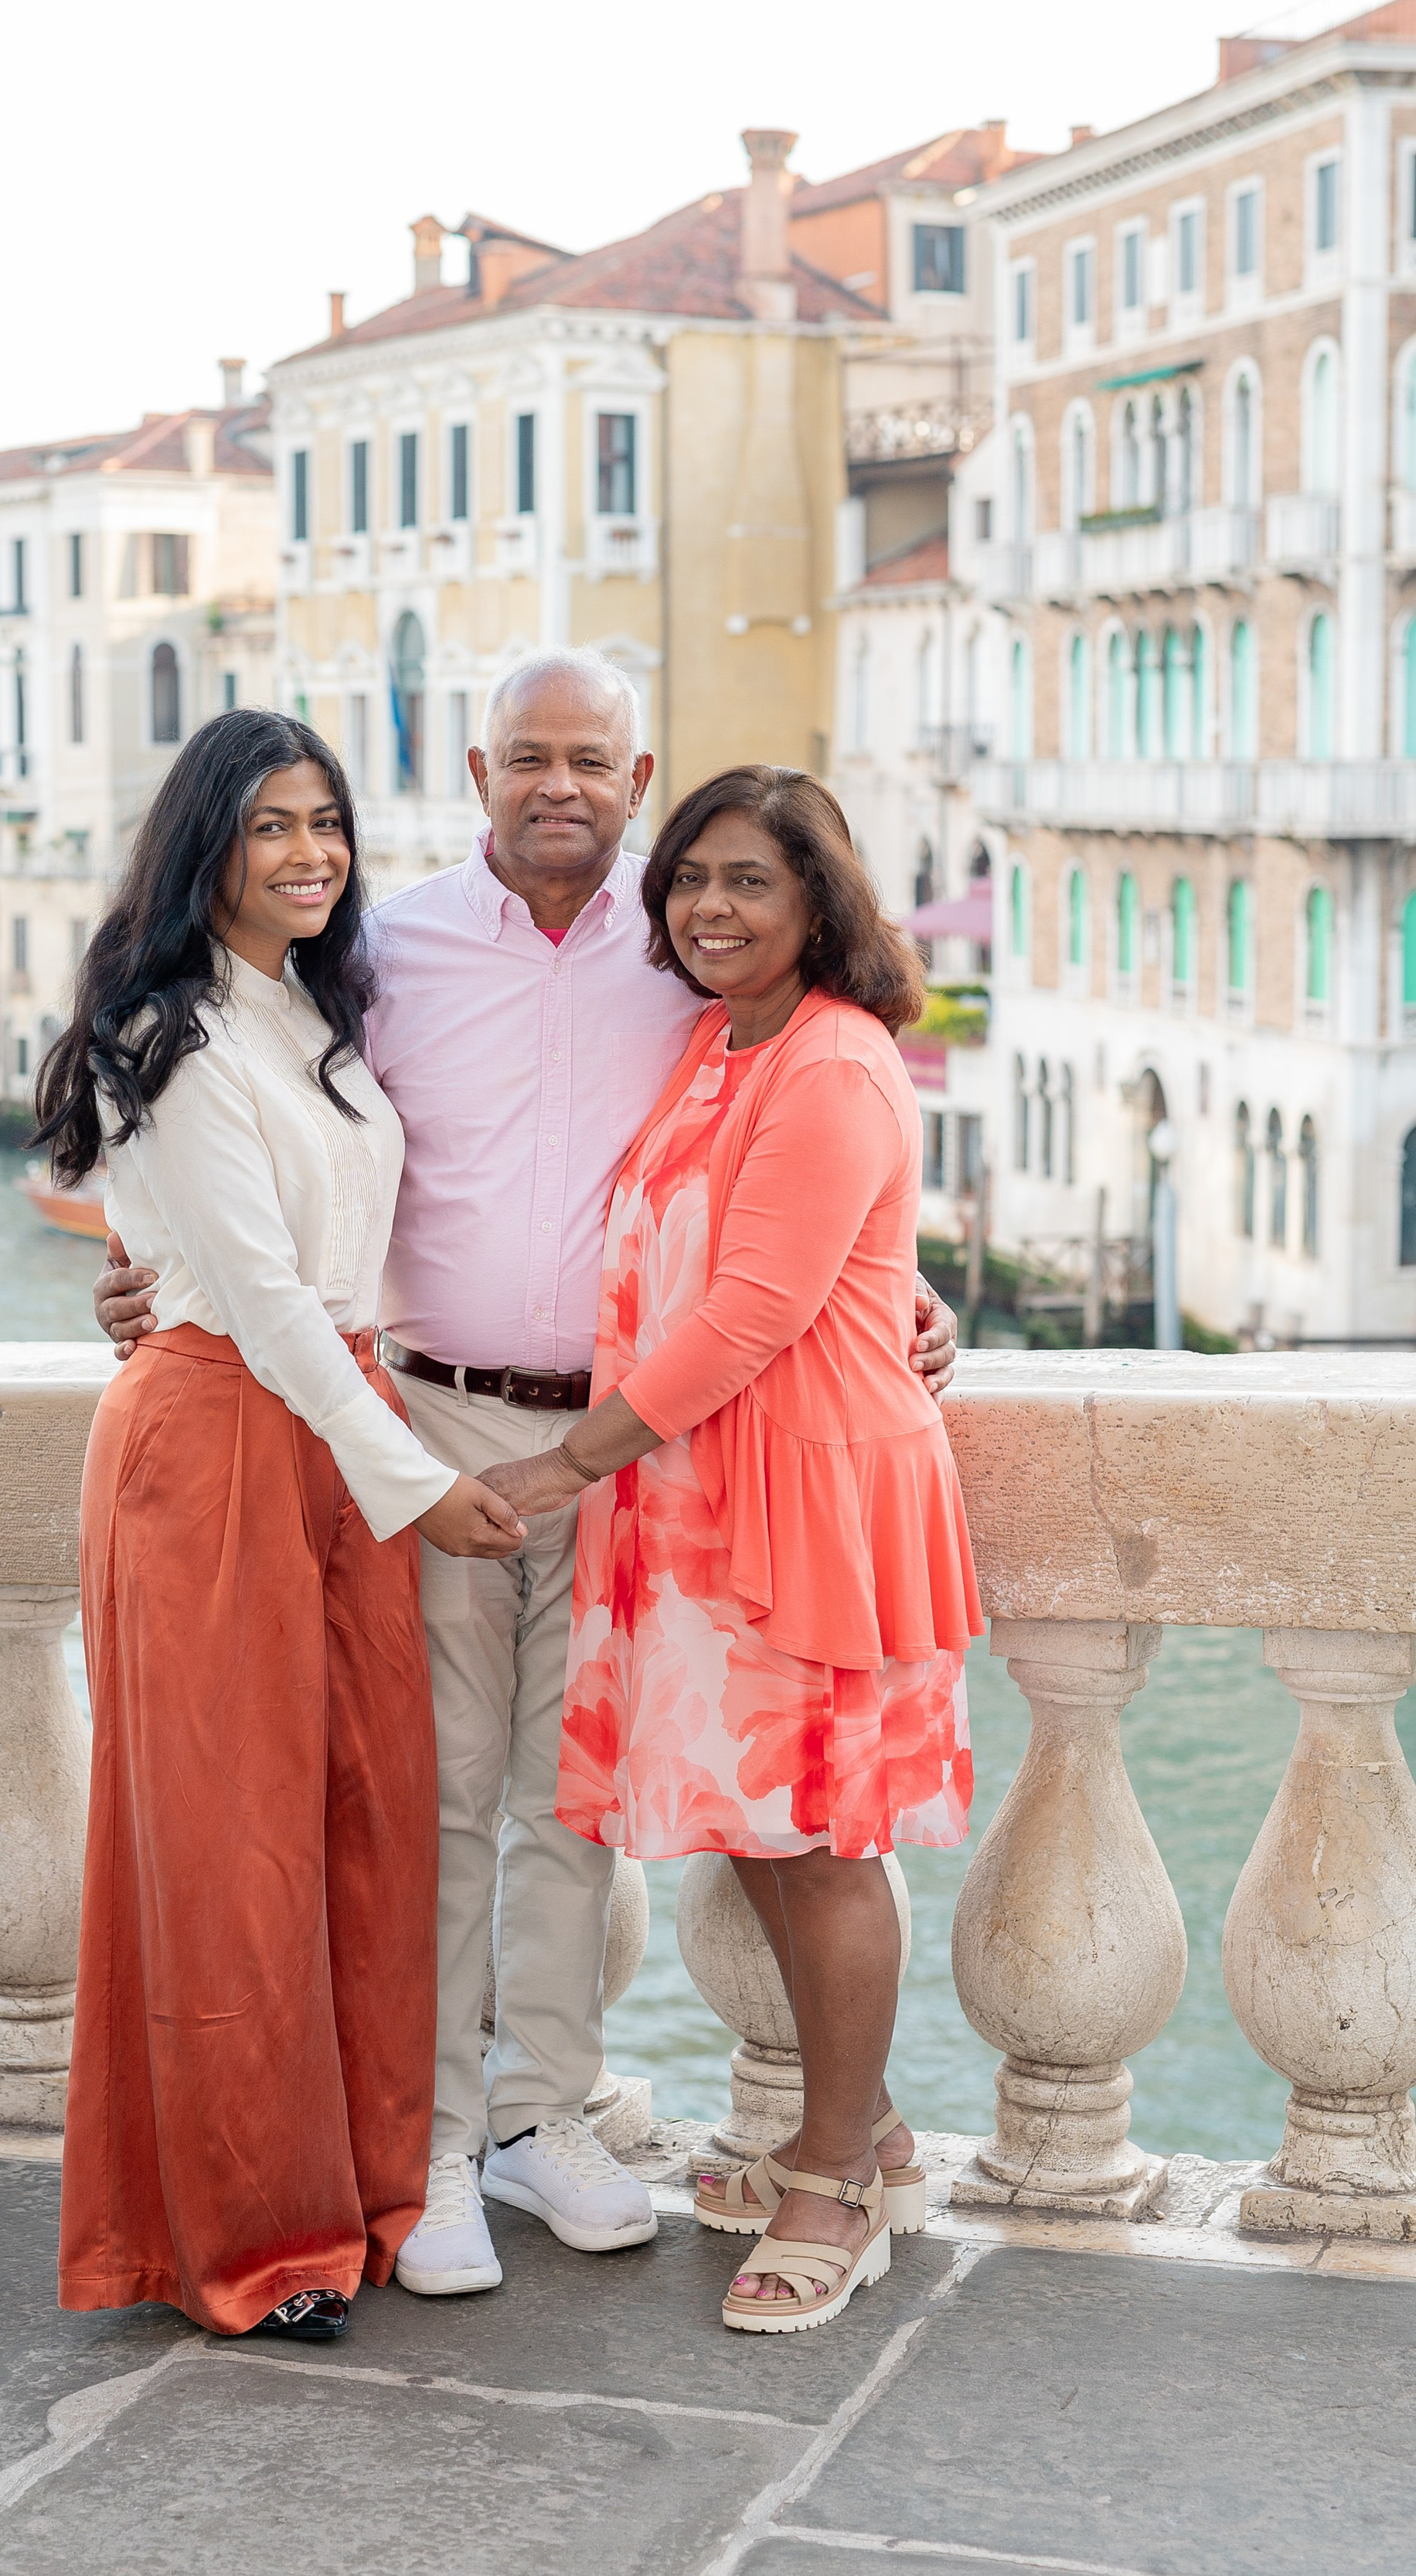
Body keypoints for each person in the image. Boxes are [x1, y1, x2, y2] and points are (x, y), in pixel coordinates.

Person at [95, 654, 958, 2300]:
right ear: (476, 775)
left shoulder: (695, 948)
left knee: (577, 1808)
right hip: (422, 1426)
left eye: (591, 761)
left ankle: (541, 2113)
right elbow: (244, 1127)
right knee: (431, 1796)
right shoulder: (381, 948)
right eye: (526, 759)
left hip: (641, 1455)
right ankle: (424, 2145)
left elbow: (793, 1162)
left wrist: (904, 1285)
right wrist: (144, 1273)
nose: (558, 786)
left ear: (638, 780)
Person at [36, 710, 525, 2346]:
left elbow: (337, 1262)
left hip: (332, 1441)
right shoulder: (167, 1033)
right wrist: (425, 1485)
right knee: (233, 1854)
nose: (310, 852)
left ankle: (369, 2184)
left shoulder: (310, 1010)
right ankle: (250, 2238)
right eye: (269, 827)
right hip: (222, 1449)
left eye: (325, 821)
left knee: (364, 1829)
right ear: (207, 846)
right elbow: (253, 1300)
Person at [479, 765, 981, 2339]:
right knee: (766, 1832)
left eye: (748, 881)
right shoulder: (718, 1040)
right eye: (689, 877)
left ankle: (840, 2179)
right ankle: (867, 2130)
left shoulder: (830, 1061)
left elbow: (756, 1309)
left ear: (816, 902)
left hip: (804, 1489)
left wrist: (566, 1458)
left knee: (821, 1841)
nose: (707, 906)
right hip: (708, 1490)